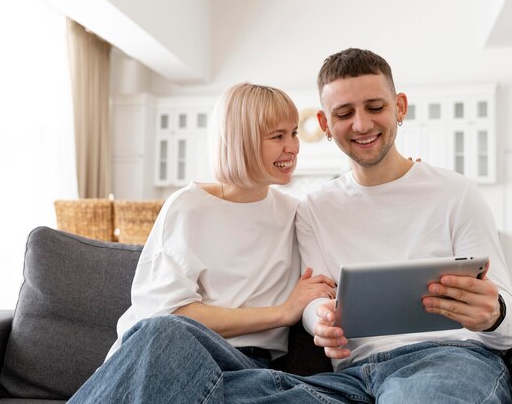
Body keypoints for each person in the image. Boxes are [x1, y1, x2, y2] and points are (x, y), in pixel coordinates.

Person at [68, 83, 336, 403]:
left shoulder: (295, 213)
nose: (292, 147)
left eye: (294, 133)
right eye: (277, 136)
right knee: (166, 332)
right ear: (242, 140)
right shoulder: (188, 206)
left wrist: (408, 178)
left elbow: (351, 220)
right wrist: (281, 313)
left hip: (246, 366)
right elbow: (169, 315)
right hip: (169, 354)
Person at [293, 48, 512, 403]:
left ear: (399, 107)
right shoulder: (313, 208)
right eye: (344, 113)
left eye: (375, 107)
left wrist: (494, 314)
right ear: (326, 124)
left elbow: (511, 327)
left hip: (445, 360)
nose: (361, 124)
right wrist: (319, 320)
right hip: (353, 378)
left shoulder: (456, 193)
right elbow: (317, 297)